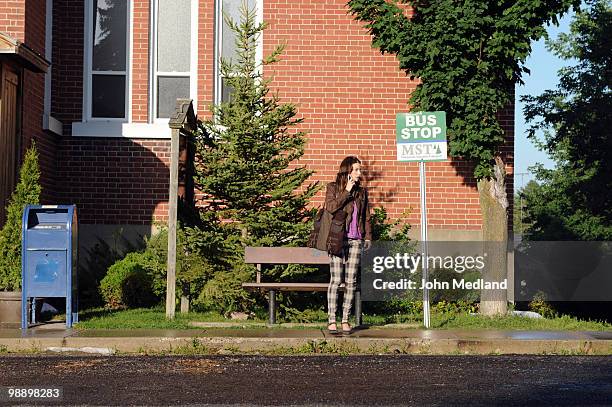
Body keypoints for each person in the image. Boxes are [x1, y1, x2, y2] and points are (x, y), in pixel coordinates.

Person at [324, 156, 372, 334]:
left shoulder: (361, 192)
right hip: (338, 239)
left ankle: (345, 320)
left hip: (355, 240)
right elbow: (331, 207)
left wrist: (367, 237)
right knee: (336, 280)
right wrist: (346, 191)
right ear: (348, 171)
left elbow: (366, 216)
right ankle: (331, 320)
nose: (360, 173)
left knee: (351, 281)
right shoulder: (333, 187)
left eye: (360, 170)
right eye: (357, 170)